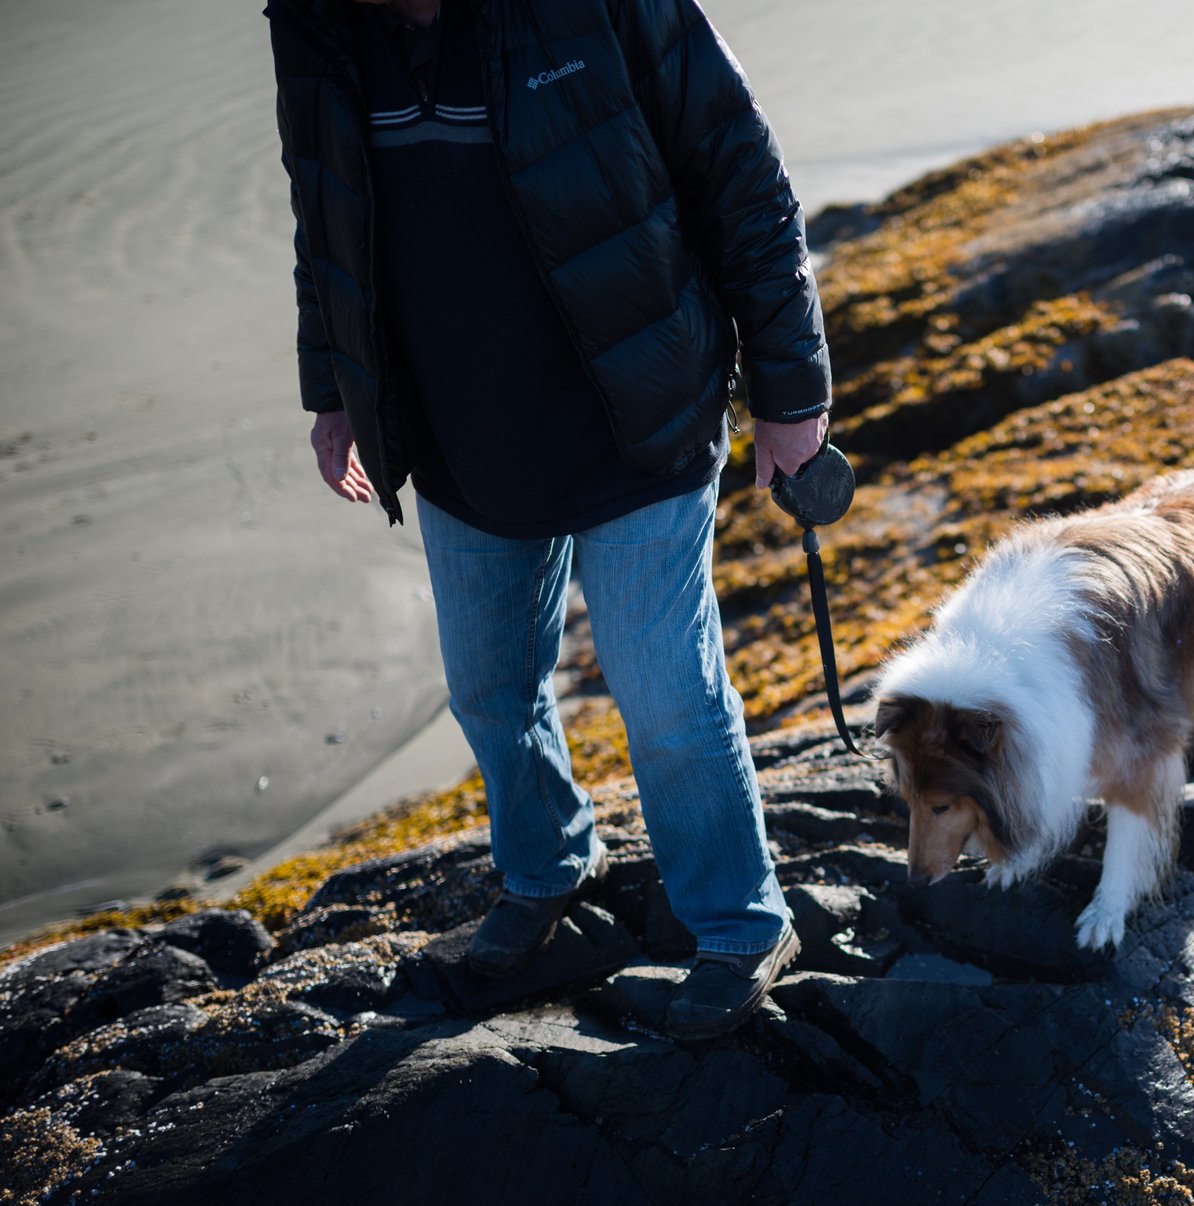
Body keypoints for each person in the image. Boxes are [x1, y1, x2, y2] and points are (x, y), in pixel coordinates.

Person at [265, 0, 830, 1038]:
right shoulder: (315, 24)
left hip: (642, 418)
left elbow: (738, 167)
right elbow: (326, 211)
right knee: (489, 689)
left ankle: (742, 924)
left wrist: (790, 393)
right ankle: (548, 869)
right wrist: (334, 388)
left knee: (665, 694)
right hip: (460, 441)